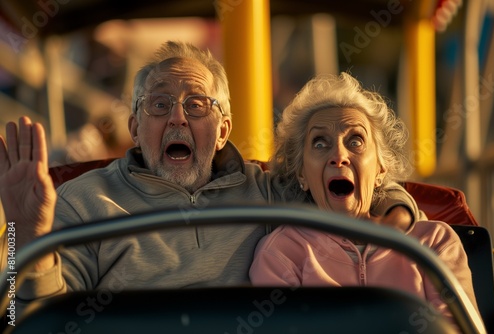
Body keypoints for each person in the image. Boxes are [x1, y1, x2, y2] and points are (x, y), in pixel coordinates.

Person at [0, 42, 419, 311]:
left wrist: (395, 214)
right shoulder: (80, 199)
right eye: (159, 105)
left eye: (196, 104)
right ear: (134, 127)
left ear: (223, 130)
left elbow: (353, 179)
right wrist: (24, 235)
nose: (178, 117)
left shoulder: (270, 190)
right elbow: (29, 317)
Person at [249, 73, 479, 326]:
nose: (339, 155)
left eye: (355, 140)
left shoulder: (434, 242)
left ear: (381, 170)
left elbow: (458, 329)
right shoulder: (282, 252)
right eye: (319, 143)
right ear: (302, 174)